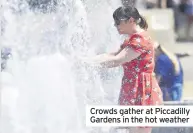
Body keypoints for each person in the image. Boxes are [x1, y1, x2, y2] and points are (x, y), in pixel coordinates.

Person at [81, 6, 163, 133]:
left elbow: (117, 60)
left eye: (118, 22)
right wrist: (86, 60)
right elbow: (111, 55)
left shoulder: (140, 39)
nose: (115, 25)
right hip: (136, 87)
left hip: (141, 90)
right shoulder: (133, 38)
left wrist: (90, 65)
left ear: (130, 20)